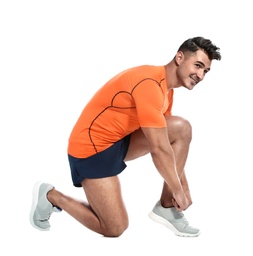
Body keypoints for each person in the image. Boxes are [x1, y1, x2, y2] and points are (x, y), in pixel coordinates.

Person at [29, 36, 221, 237]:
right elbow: (159, 149)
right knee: (114, 227)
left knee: (180, 128)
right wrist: (179, 192)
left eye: (205, 71)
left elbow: (167, 143)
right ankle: (51, 196)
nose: (200, 75)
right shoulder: (149, 83)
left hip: (119, 141)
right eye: (198, 66)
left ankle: (167, 208)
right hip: (91, 149)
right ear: (180, 57)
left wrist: (183, 188)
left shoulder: (166, 90)